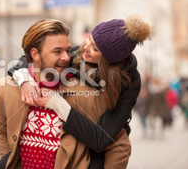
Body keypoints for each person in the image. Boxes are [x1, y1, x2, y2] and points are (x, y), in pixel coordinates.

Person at [9, 15, 151, 168]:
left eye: (95, 49)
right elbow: (29, 57)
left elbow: (102, 139)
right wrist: (25, 80)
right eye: (90, 38)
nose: (86, 47)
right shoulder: (76, 54)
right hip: (65, 141)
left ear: (110, 59)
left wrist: (58, 104)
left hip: (97, 152)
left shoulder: (129, 81)